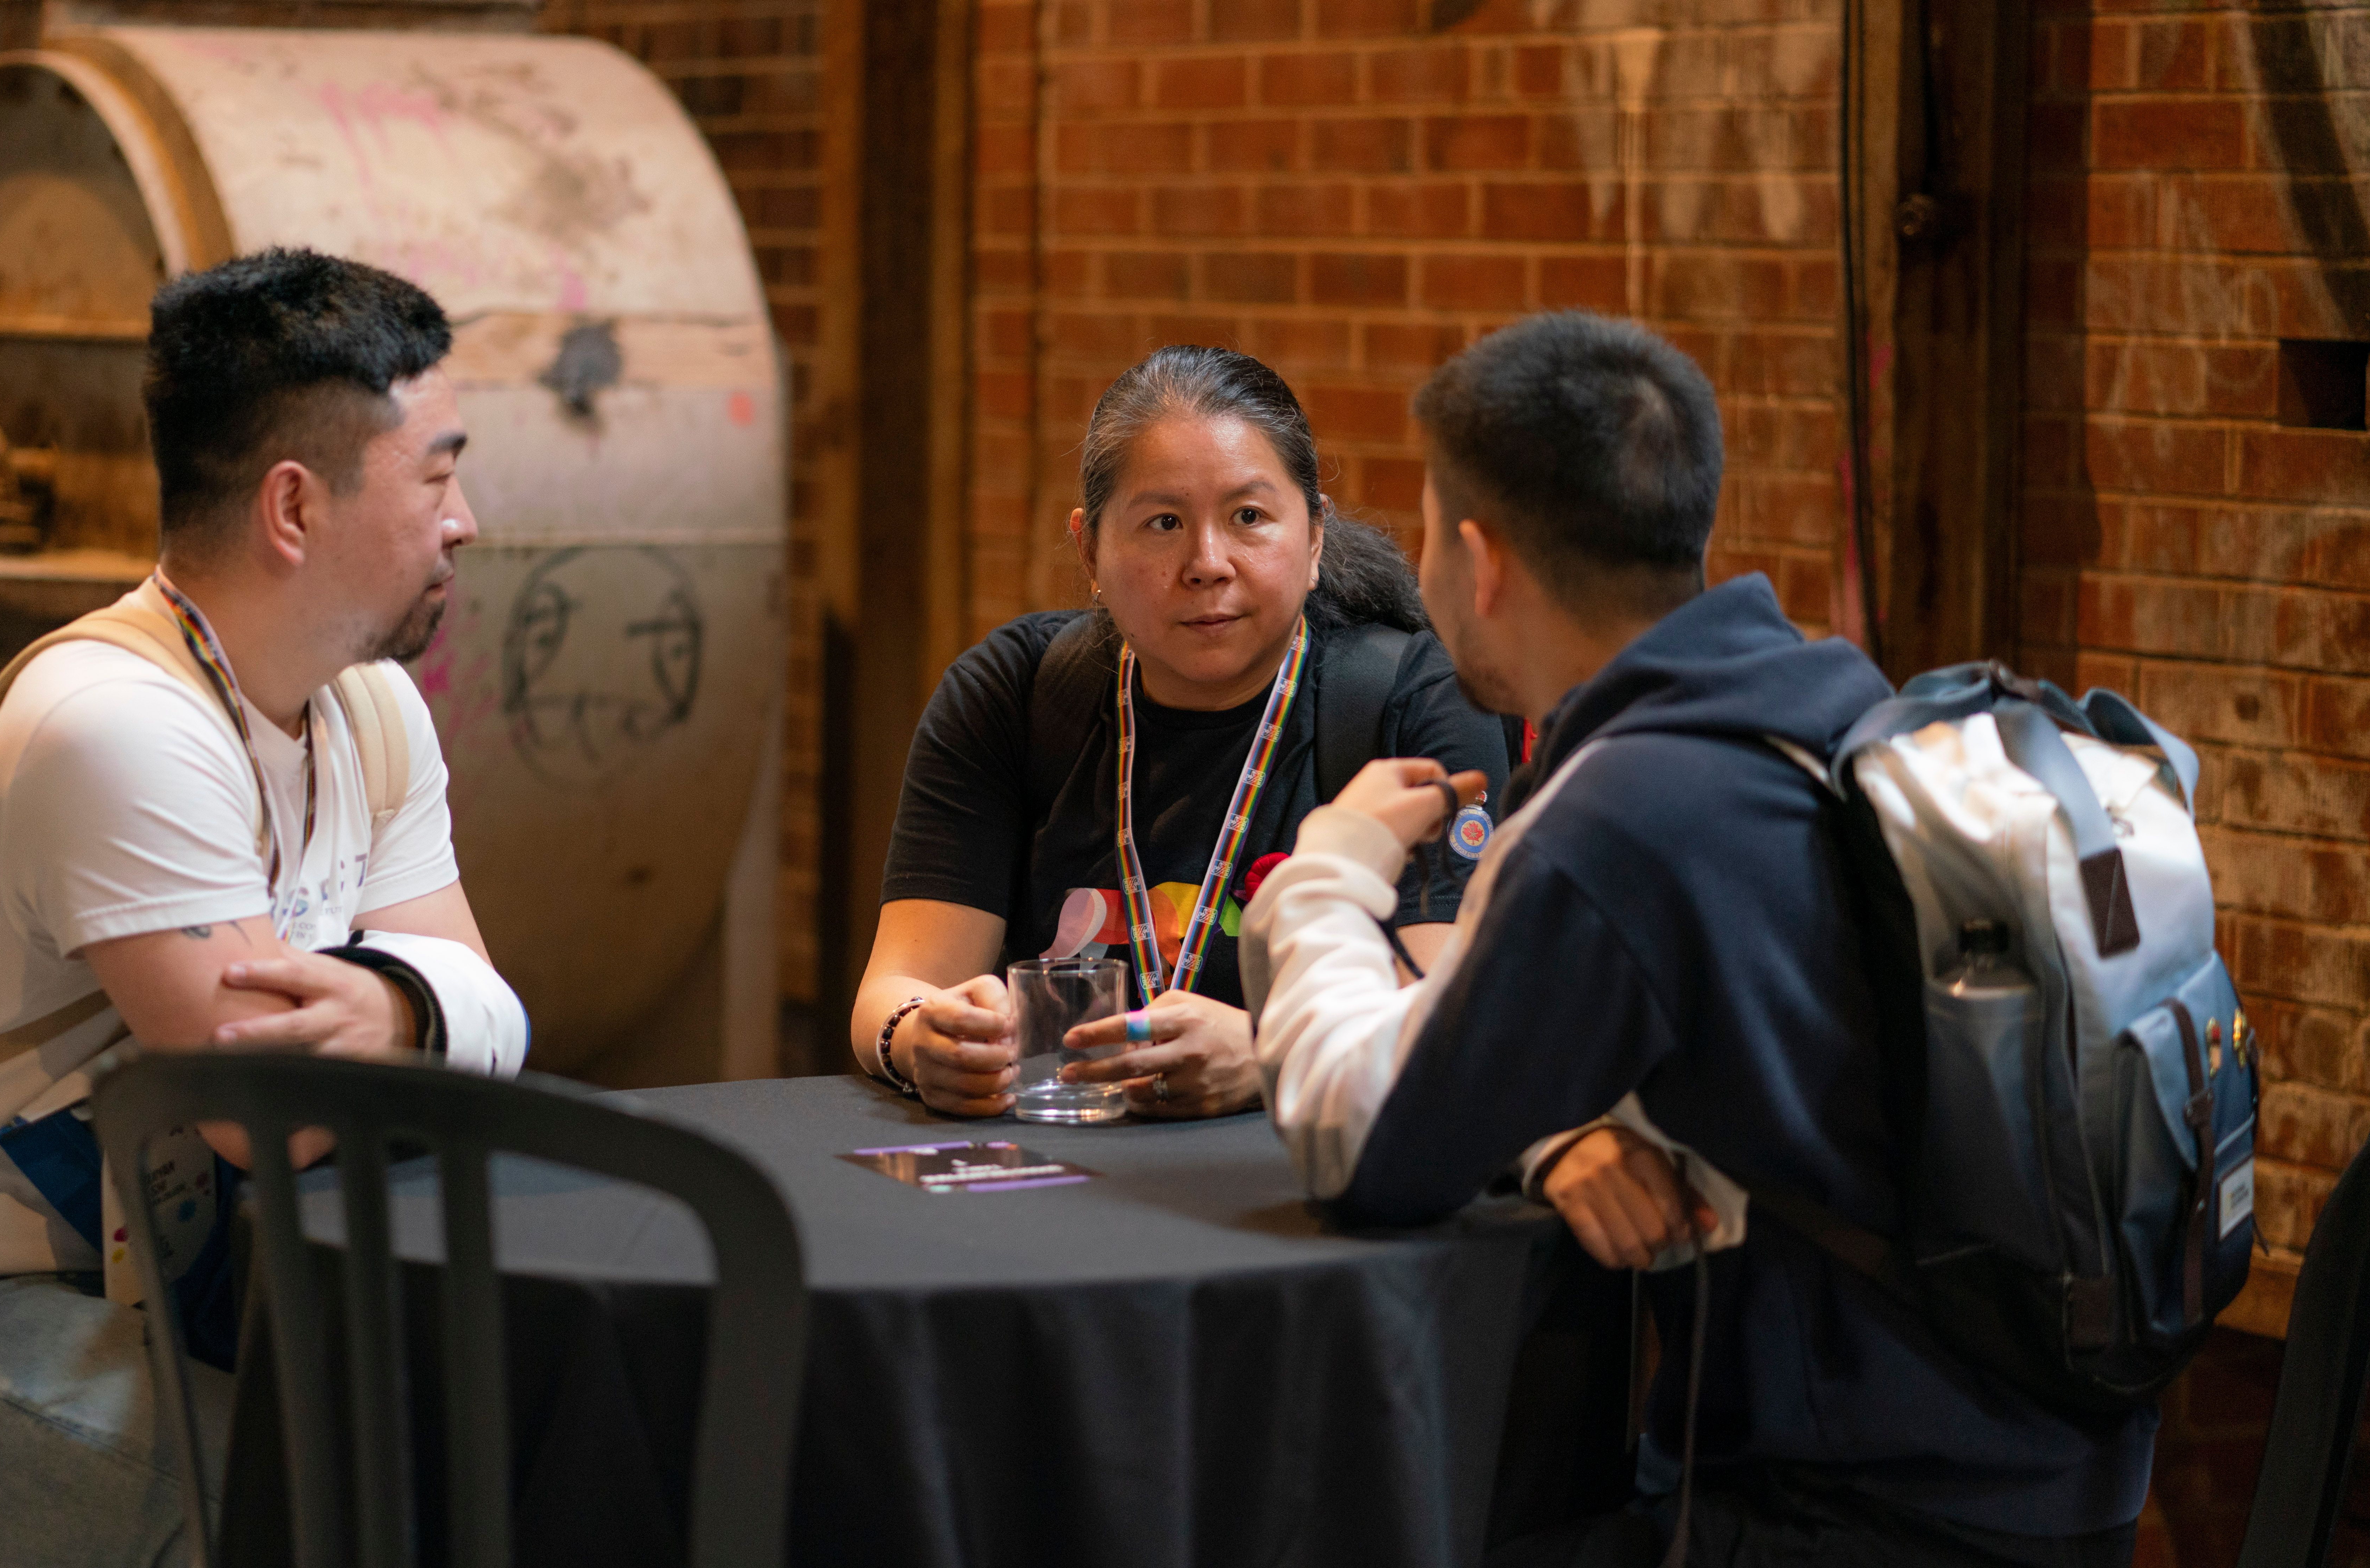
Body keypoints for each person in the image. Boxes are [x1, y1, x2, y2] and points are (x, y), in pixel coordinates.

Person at [1244, 312, 2154, 1565]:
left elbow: (1367, 1146)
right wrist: (1561, 1124)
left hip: (1857, 1516)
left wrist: (1328, 872)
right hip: (2051, 1472)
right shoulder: (1819, 705)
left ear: (1480, 559)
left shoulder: (1619, 822)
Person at [0, 249, 528, 1568]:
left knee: (473, 1443)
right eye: (437, 473)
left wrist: (395, 1004)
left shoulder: (368, 708)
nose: (466, 519)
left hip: (126, 1290)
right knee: (306, 1500)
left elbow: (486, 1024)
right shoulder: (116, 730)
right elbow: (282, 1119)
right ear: (292, 508)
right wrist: (429, 1011)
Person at [856, 345, 1512, 1118]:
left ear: (1313, 539)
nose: (1206, 563)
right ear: (1088, 549)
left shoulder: (1413, 701)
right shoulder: (1011, 694)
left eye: (1248, 518)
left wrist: (1272, 1052)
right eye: (1162, 523)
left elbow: (1451, 1020)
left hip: (1285, 1195)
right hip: (1055, 1178)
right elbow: (895, 988)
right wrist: (922, 1038)